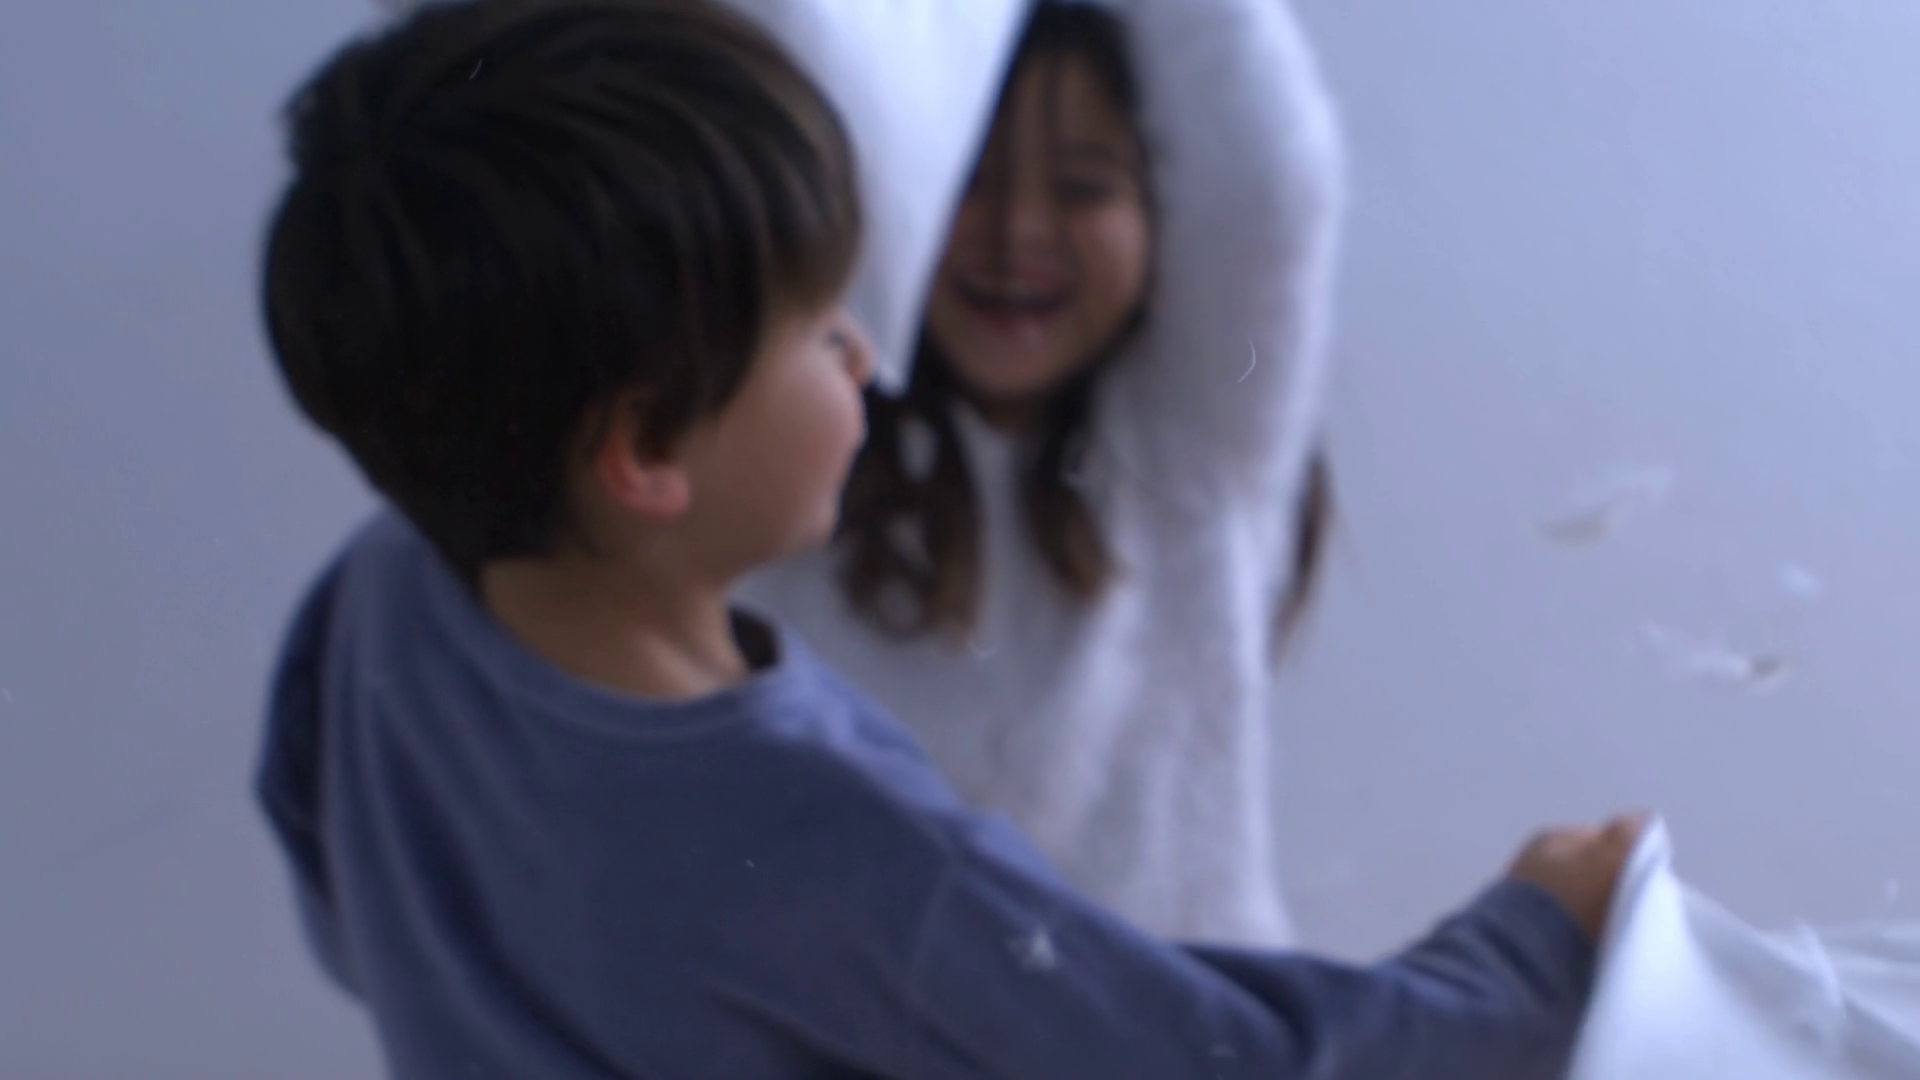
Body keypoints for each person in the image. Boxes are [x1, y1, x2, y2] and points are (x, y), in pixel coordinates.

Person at [255, 1, 1644, 1076]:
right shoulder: (851, 851)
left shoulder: (384, 603)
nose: (865, 350)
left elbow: (341, 907)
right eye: (822, 325)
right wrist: (1534, 944)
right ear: (645, 451)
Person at [740, 0, 1341, 948]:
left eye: (1083, 186)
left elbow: (1273, 180)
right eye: (966, 180)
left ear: (1165, 214)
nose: (1018, 230)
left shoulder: (1194, 450)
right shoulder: (793, 461)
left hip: (1178, 1019)